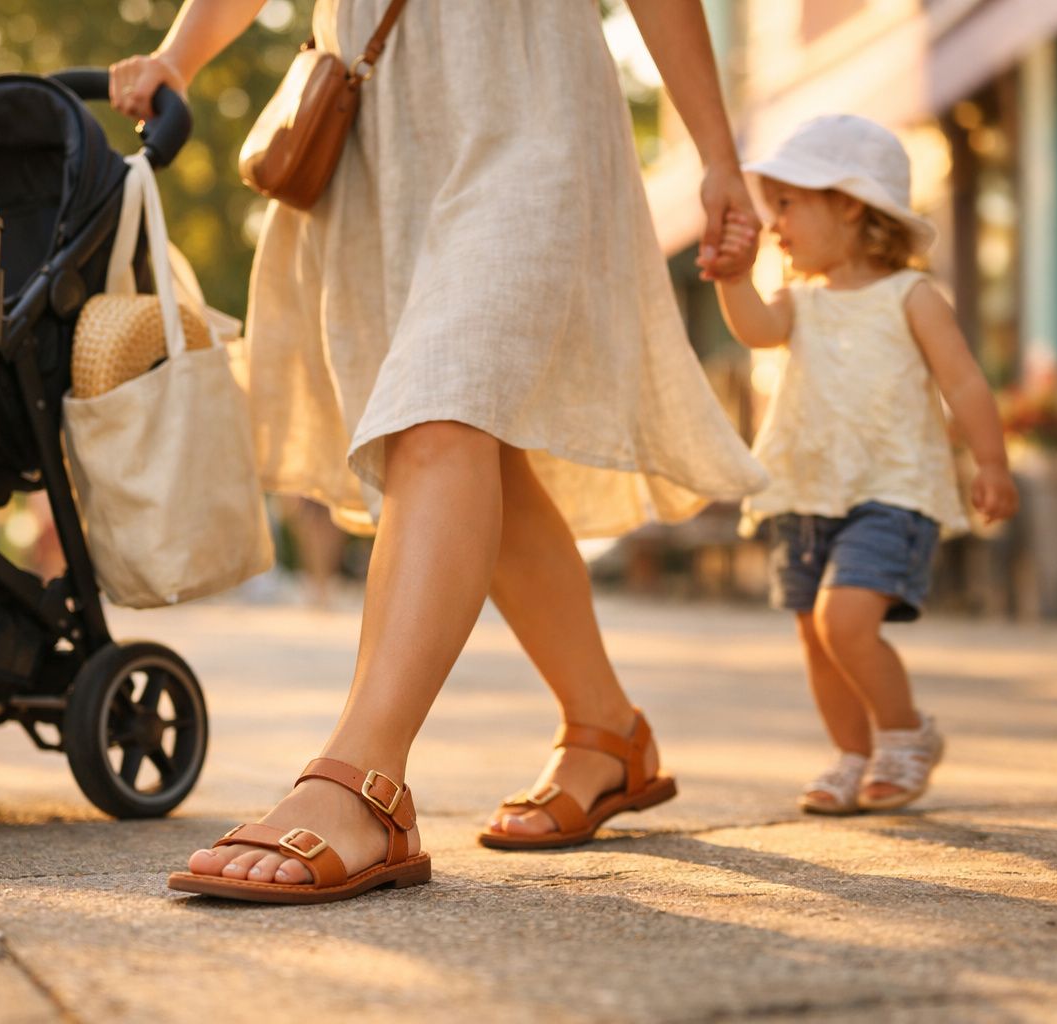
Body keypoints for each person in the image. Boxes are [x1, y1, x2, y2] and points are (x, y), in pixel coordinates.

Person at [110, 0, 768, 904]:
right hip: (376, 116)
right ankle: (607, 732)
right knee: (473, 444)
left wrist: (717, 156)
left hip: (526, 91)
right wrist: (179, 54)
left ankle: (364, 779)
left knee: (441, 410)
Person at [713, 114, 1019, 816]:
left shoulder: (910, 297)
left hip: (891, 488)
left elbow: (964, 383)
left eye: (788, 204)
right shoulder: (800, 301)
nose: (776, 225)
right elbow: (756, 330)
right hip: (808, 489)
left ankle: (905, 735)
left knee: (844, 621)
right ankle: (852, 754)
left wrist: (991, 461)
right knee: (816, 636)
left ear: (849, 203)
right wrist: (733, 279)